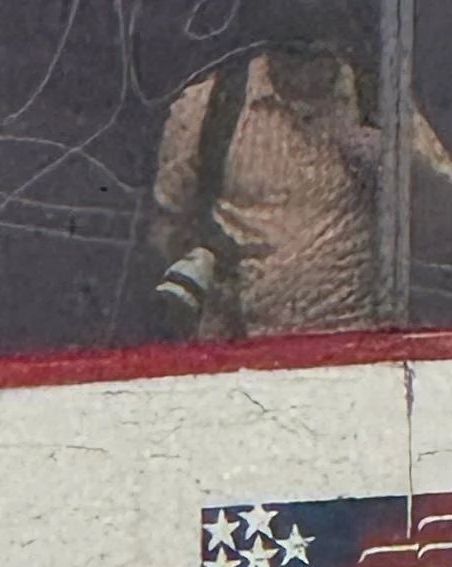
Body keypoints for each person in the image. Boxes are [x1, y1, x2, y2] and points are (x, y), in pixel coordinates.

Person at [150, 0, 452, 339]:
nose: (308, 73)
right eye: (294, 58)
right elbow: (168, 223)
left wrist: (399, 166)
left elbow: (446, 219)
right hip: (236, 346)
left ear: (339, 50)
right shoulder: (210, 109)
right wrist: (202, 258)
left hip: (351, 345)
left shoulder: (380, 104)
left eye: (321, 59)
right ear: (269, 51)